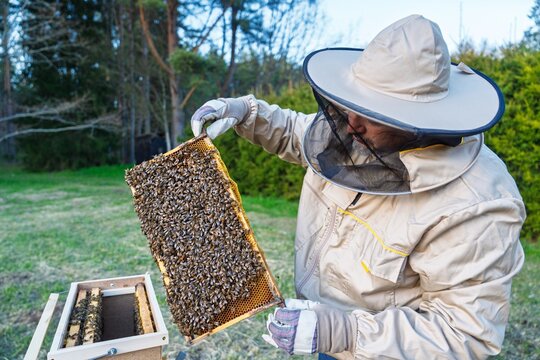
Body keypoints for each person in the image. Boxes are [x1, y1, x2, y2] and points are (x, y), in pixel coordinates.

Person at [190, 15, 525, 360]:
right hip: (325, 334)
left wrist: (345, 331)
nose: (351, 123)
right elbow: (300, 134)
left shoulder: (480, 202)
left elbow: (463, 334)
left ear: (415, 123)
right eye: (353, 105)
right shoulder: (358, 131)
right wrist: (248, 112)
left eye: (371, 113)